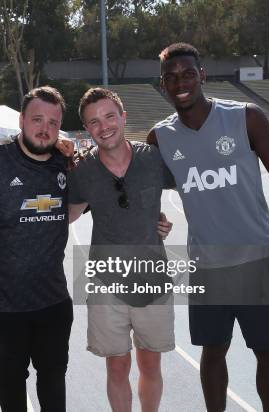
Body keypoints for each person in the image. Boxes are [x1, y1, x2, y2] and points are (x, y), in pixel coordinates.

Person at [149, 42, 269, 412]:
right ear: (163, 85)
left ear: (202, 75)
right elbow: (141, 194)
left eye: (188, 73)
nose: (181, 82)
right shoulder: (160, 137)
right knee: (213, 351)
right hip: (207, 267)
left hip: (258, 261)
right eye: (171, 78)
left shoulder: (245, 117)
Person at [68, 87, 176, 412]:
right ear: (87, 129)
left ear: (123, 117)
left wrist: (161, 220)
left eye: (109, 116)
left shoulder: (154, 159)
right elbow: (65, 215)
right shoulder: (82, 171)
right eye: (94, 122)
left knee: (150, 364)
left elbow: (196, 188)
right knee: (116, 367)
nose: (104, 127)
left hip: (152, 281)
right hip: (107, 284)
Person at [0, 86, 73, 411]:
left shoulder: (67, 163)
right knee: (10, 378)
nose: (44, 128)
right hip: (4, 306)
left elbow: (108, 192)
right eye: (37, 119)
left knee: (53, 380)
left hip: (53, 302)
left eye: (53, 122)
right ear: (21, 119)